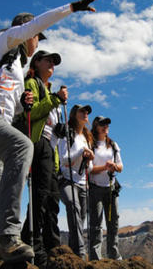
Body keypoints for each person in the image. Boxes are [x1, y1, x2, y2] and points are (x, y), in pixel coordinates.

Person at [0, 0, 102, 262]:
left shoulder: (14, 66)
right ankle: (7, 237)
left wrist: (21, 104)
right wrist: (73, 7)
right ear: (26, 33)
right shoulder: (5, 42)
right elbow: (36, 24)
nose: (37, 39)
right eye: (37, 36)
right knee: (21, 145)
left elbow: (7, 103)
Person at [20, 50, 67, 268]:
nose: (52, 64)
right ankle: (35, 247)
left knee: (49, 199)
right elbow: (32, 113)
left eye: (54, 62)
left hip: (49, 148)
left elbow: (49, 123)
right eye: (48, 60)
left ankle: (45, 246)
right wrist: (56, 100)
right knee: (40, 197)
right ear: (36, 62)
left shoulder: (46, 90)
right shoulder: (32, 83)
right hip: (38, 144)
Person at [58, 104, 94, 259]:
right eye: (82, 111)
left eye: (87, 112)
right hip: (66, 180)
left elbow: (90, 168)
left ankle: (73, 256)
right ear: (73, 115)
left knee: (79, 220)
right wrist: (81, 152)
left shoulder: (86, 138)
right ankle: (80, 253)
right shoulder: (67, 133)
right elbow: (62, 159)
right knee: (73, 208)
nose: (86, 113)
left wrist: (88, 159)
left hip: (82, 182)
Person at [89, 116, 123, 261]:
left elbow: (121, 166)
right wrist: (105, 167)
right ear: (96, 127)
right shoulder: (91, 144)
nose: (105, 127)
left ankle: (113, 254)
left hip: (111, 187)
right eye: (102, 124)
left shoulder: (113, 145)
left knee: (113, 221)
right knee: (96, 223)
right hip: (95, 188)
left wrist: (114, 166)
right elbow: (89, 169)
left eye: (107, 124)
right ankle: (96, 258)